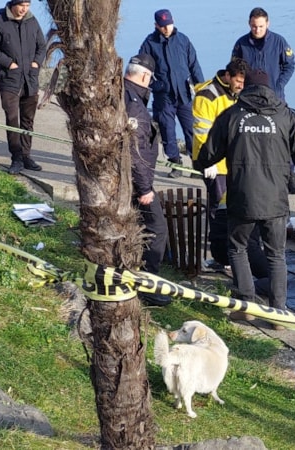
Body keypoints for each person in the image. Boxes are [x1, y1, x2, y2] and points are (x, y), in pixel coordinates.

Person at [197, 71, 295, 329]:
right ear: (269, 89)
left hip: (242, 196)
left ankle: (246, 305)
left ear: (246, 88)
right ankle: (278, 313)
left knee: (237, 248)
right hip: (275, 199)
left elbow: (208, 152)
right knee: (276, 255)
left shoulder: (231, 115)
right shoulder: (286, 115)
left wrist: (203, 164)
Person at [190, 58, 267, 278]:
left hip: (232, 161)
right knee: (219, 208)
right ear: (228, 76)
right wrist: (210, 161)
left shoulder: (236, 94)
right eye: (239, 81)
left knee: (234, 205)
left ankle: (233, 252)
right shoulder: (208, 96)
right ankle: (221, 256)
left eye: (244, 82)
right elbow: (202, 132)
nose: (242, 86)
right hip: (212, 163)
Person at [123, 53, 171, 307]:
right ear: (144, 76)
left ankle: (133, 275)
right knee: (156, 228)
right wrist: (144, 188)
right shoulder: (134, 106)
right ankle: (148, 286)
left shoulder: (121, 93)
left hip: (125, 180)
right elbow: (135, 150)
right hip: (135, 182)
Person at [0, 0, 46, 175]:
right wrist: (8, 63)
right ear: (12, 5)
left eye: (27, 5)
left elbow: (42, 46)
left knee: (28, 120)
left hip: (30, 80)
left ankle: (26, 155)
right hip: (10, 80)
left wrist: (36, 64)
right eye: (21, 5)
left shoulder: (32, 21)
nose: (24, 9)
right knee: (12, 119)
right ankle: (16, 157)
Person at [139, 9, 204, 178]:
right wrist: (155, 85)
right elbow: (141, 69)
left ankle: (196, 165)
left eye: (168, 24)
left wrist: (201, 89)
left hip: (184, 95)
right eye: (162, 26)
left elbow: (194, 66)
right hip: (163, 96)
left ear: (173, 21)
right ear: (156, 26)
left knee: (191, 130)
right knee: (168, 131)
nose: (166, 28)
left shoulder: (183, 40)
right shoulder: (150, 43)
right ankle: (176, 163)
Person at [231, 7, 295, 101]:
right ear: (249, 23)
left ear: (267, 24)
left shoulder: (279, 42)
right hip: (249, 97)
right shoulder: (241, 44)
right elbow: (234, 69)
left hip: (274, 96)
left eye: (261, 26)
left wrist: (279, 85)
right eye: (254, 26)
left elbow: (290, 66)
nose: (257, 30)